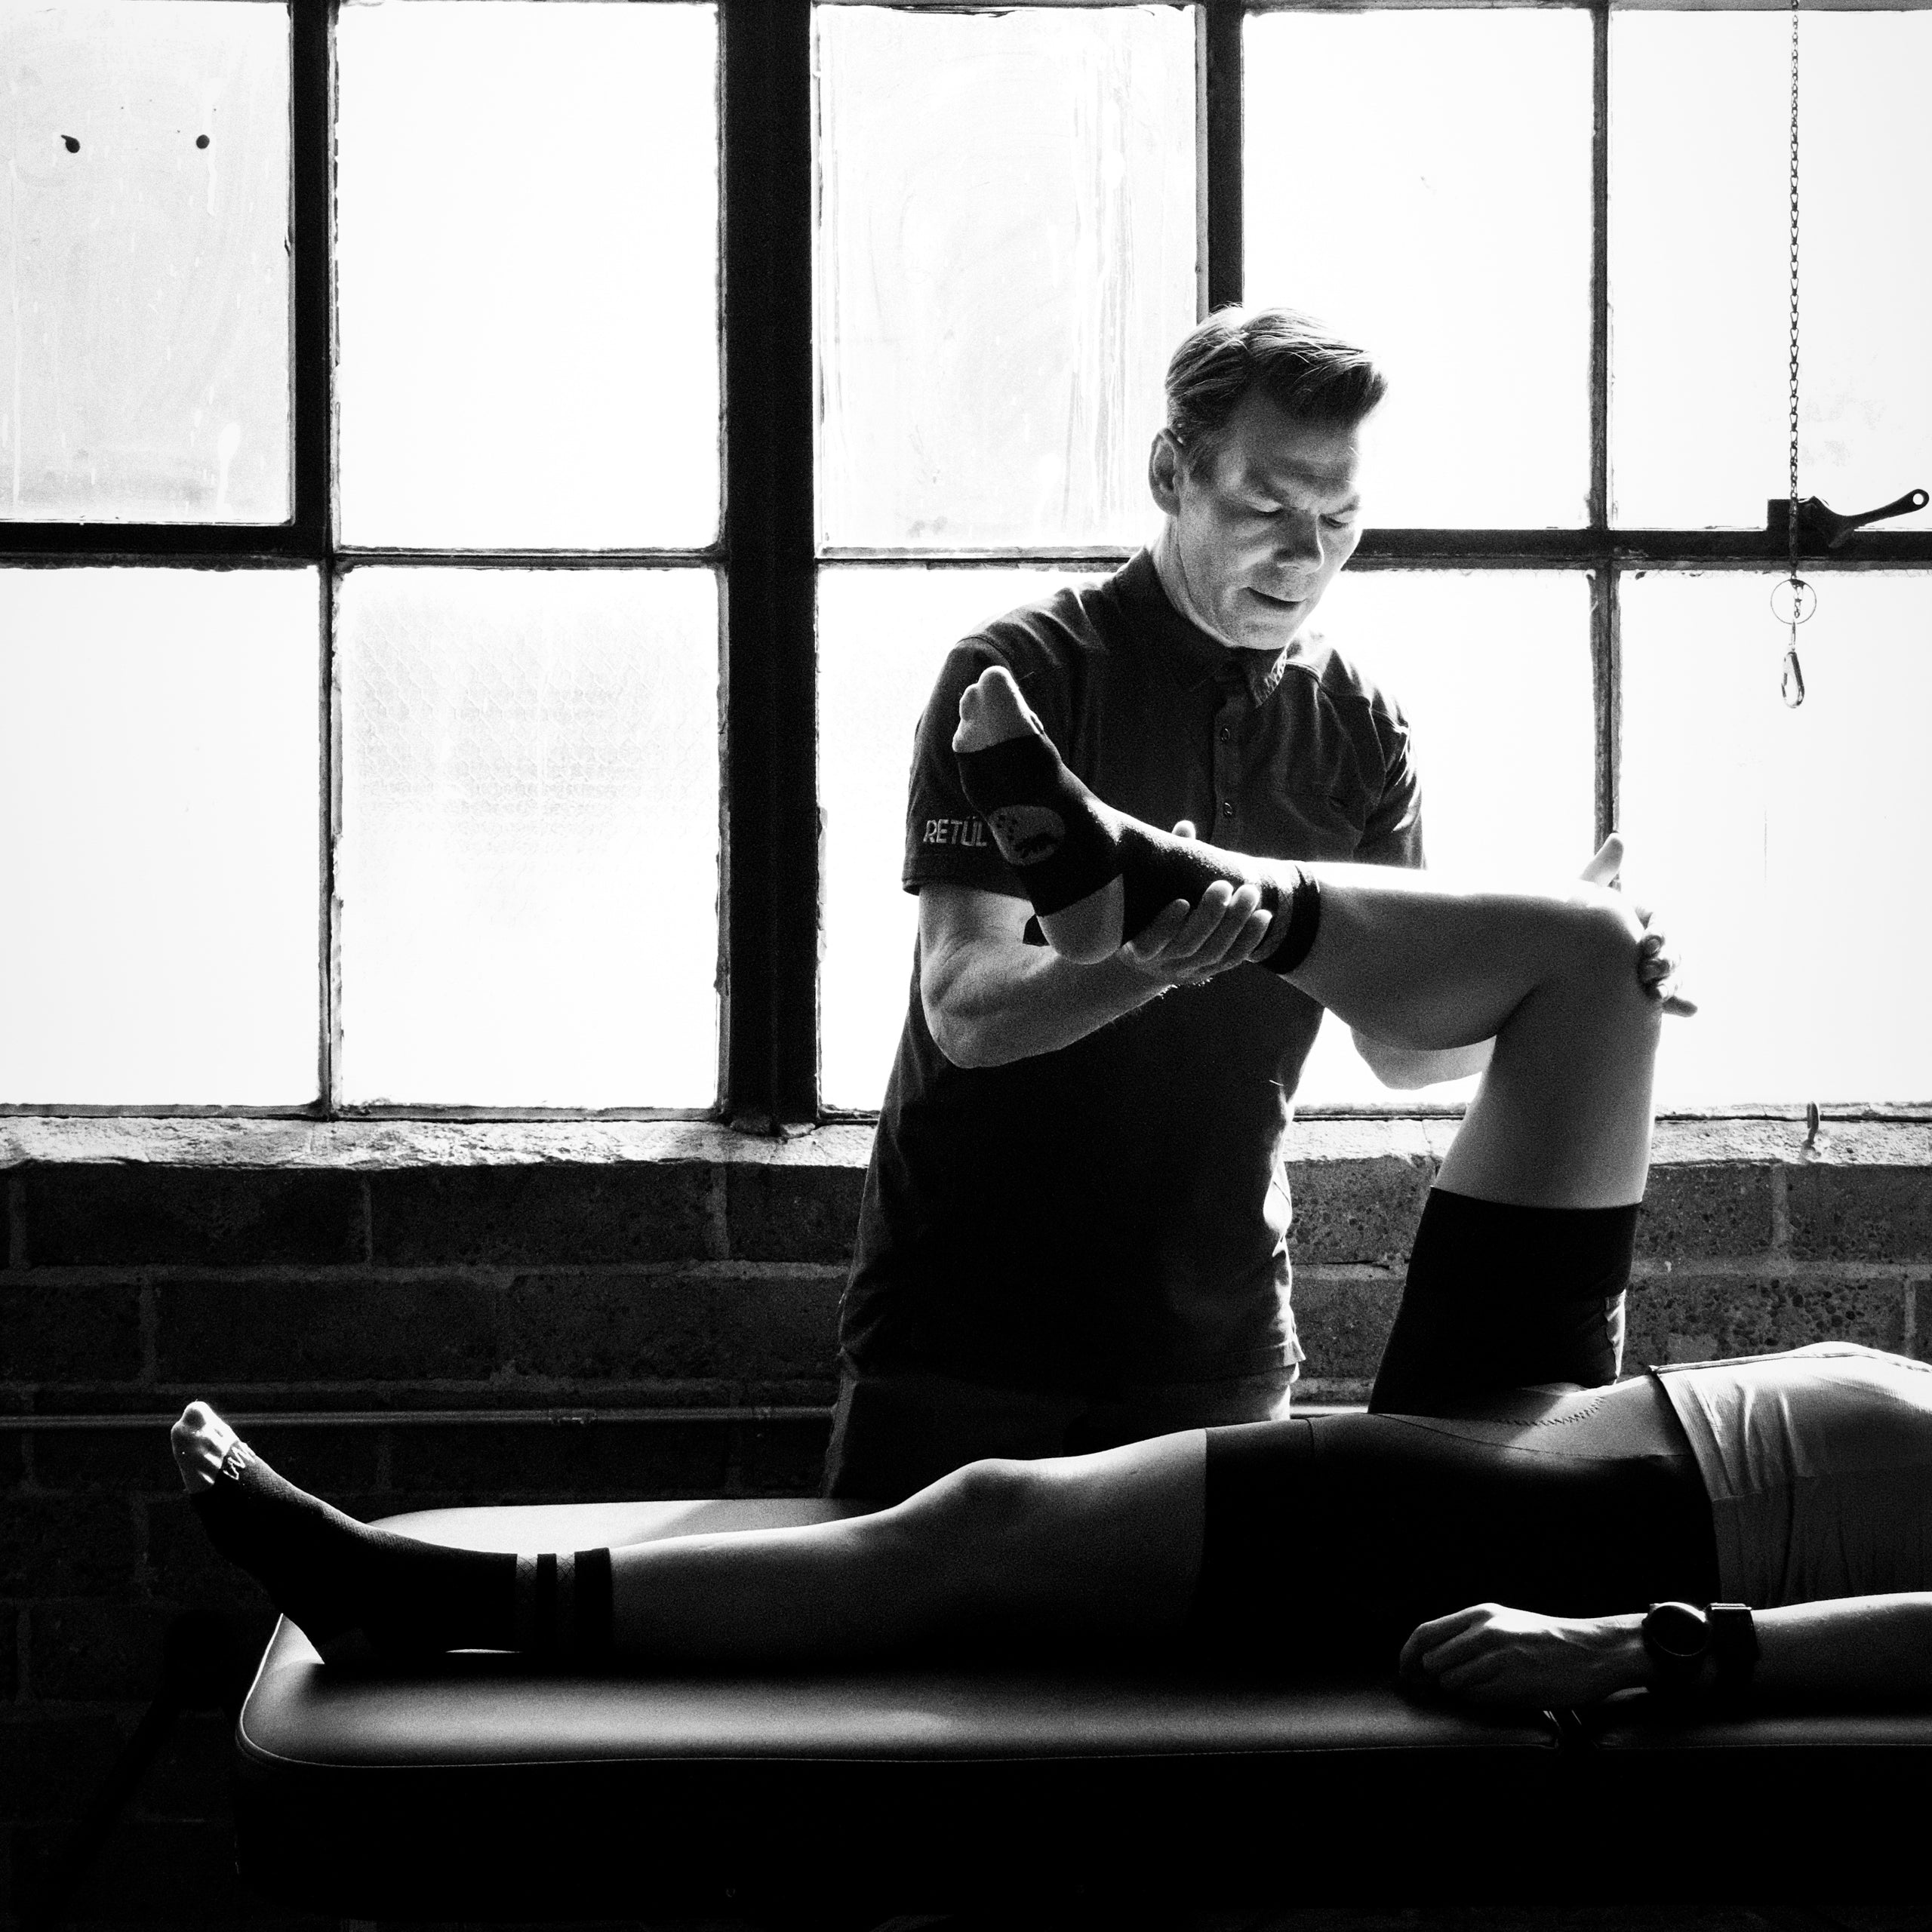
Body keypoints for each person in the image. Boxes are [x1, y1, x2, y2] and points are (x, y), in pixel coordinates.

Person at [174, 730, 1931, 1712]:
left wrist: (1665, 1646)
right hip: (1627, 1416)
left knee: (983, 1526)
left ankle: (424, 1596)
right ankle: (1169, 895)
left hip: (1634, 1536)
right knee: (1594, 957)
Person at [826, 305, 1679, 1503]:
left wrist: (1570, 973)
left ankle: (1115, 859)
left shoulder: (1362, 727)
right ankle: (1112, 861)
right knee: (903, 1662)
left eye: (1341, 520)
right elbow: (968, 1012)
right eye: (1268, 509)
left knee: (1204, 1694)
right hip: (967, 1335)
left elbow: (1398, 1047)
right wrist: (1136, 969)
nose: (1307, 556)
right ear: (1173, 473)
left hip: (1211, 1342)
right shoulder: (1019, 673)